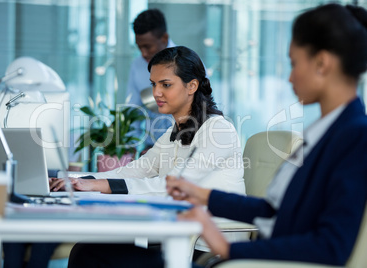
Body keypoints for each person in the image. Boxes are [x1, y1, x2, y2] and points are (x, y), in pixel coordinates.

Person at [69, 3, 367, 267]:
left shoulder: (354, 137)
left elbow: (331, 247)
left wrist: (226, 247)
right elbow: (271, 209)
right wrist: (203, 196)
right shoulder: (325, 133)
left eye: (293, 63)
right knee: (89, 252)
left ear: (322, 63)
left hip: (242, 256)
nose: (289, 77)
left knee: (90, 255)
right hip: (236, 248)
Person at [50, 46, 245, 197]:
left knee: (93, 250)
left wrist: (98, 185)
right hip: (177, 232)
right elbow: (137, 170)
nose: (155, 93)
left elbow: (175, 185)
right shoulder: (173, 133)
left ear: (192, 85)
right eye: (153, 84)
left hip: (210, 241)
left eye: (166, 85)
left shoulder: (218, 130)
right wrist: (76, 180)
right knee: (88, 249)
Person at [127, 8, 175, 149]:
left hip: (183, 149)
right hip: (151, 148)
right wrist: (130, 147)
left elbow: (204, 109)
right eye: (139, 47)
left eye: (147, 47)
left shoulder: (188, 62)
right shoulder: (137, 65)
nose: (143, 53)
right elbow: (133, 112)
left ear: (164, 38)